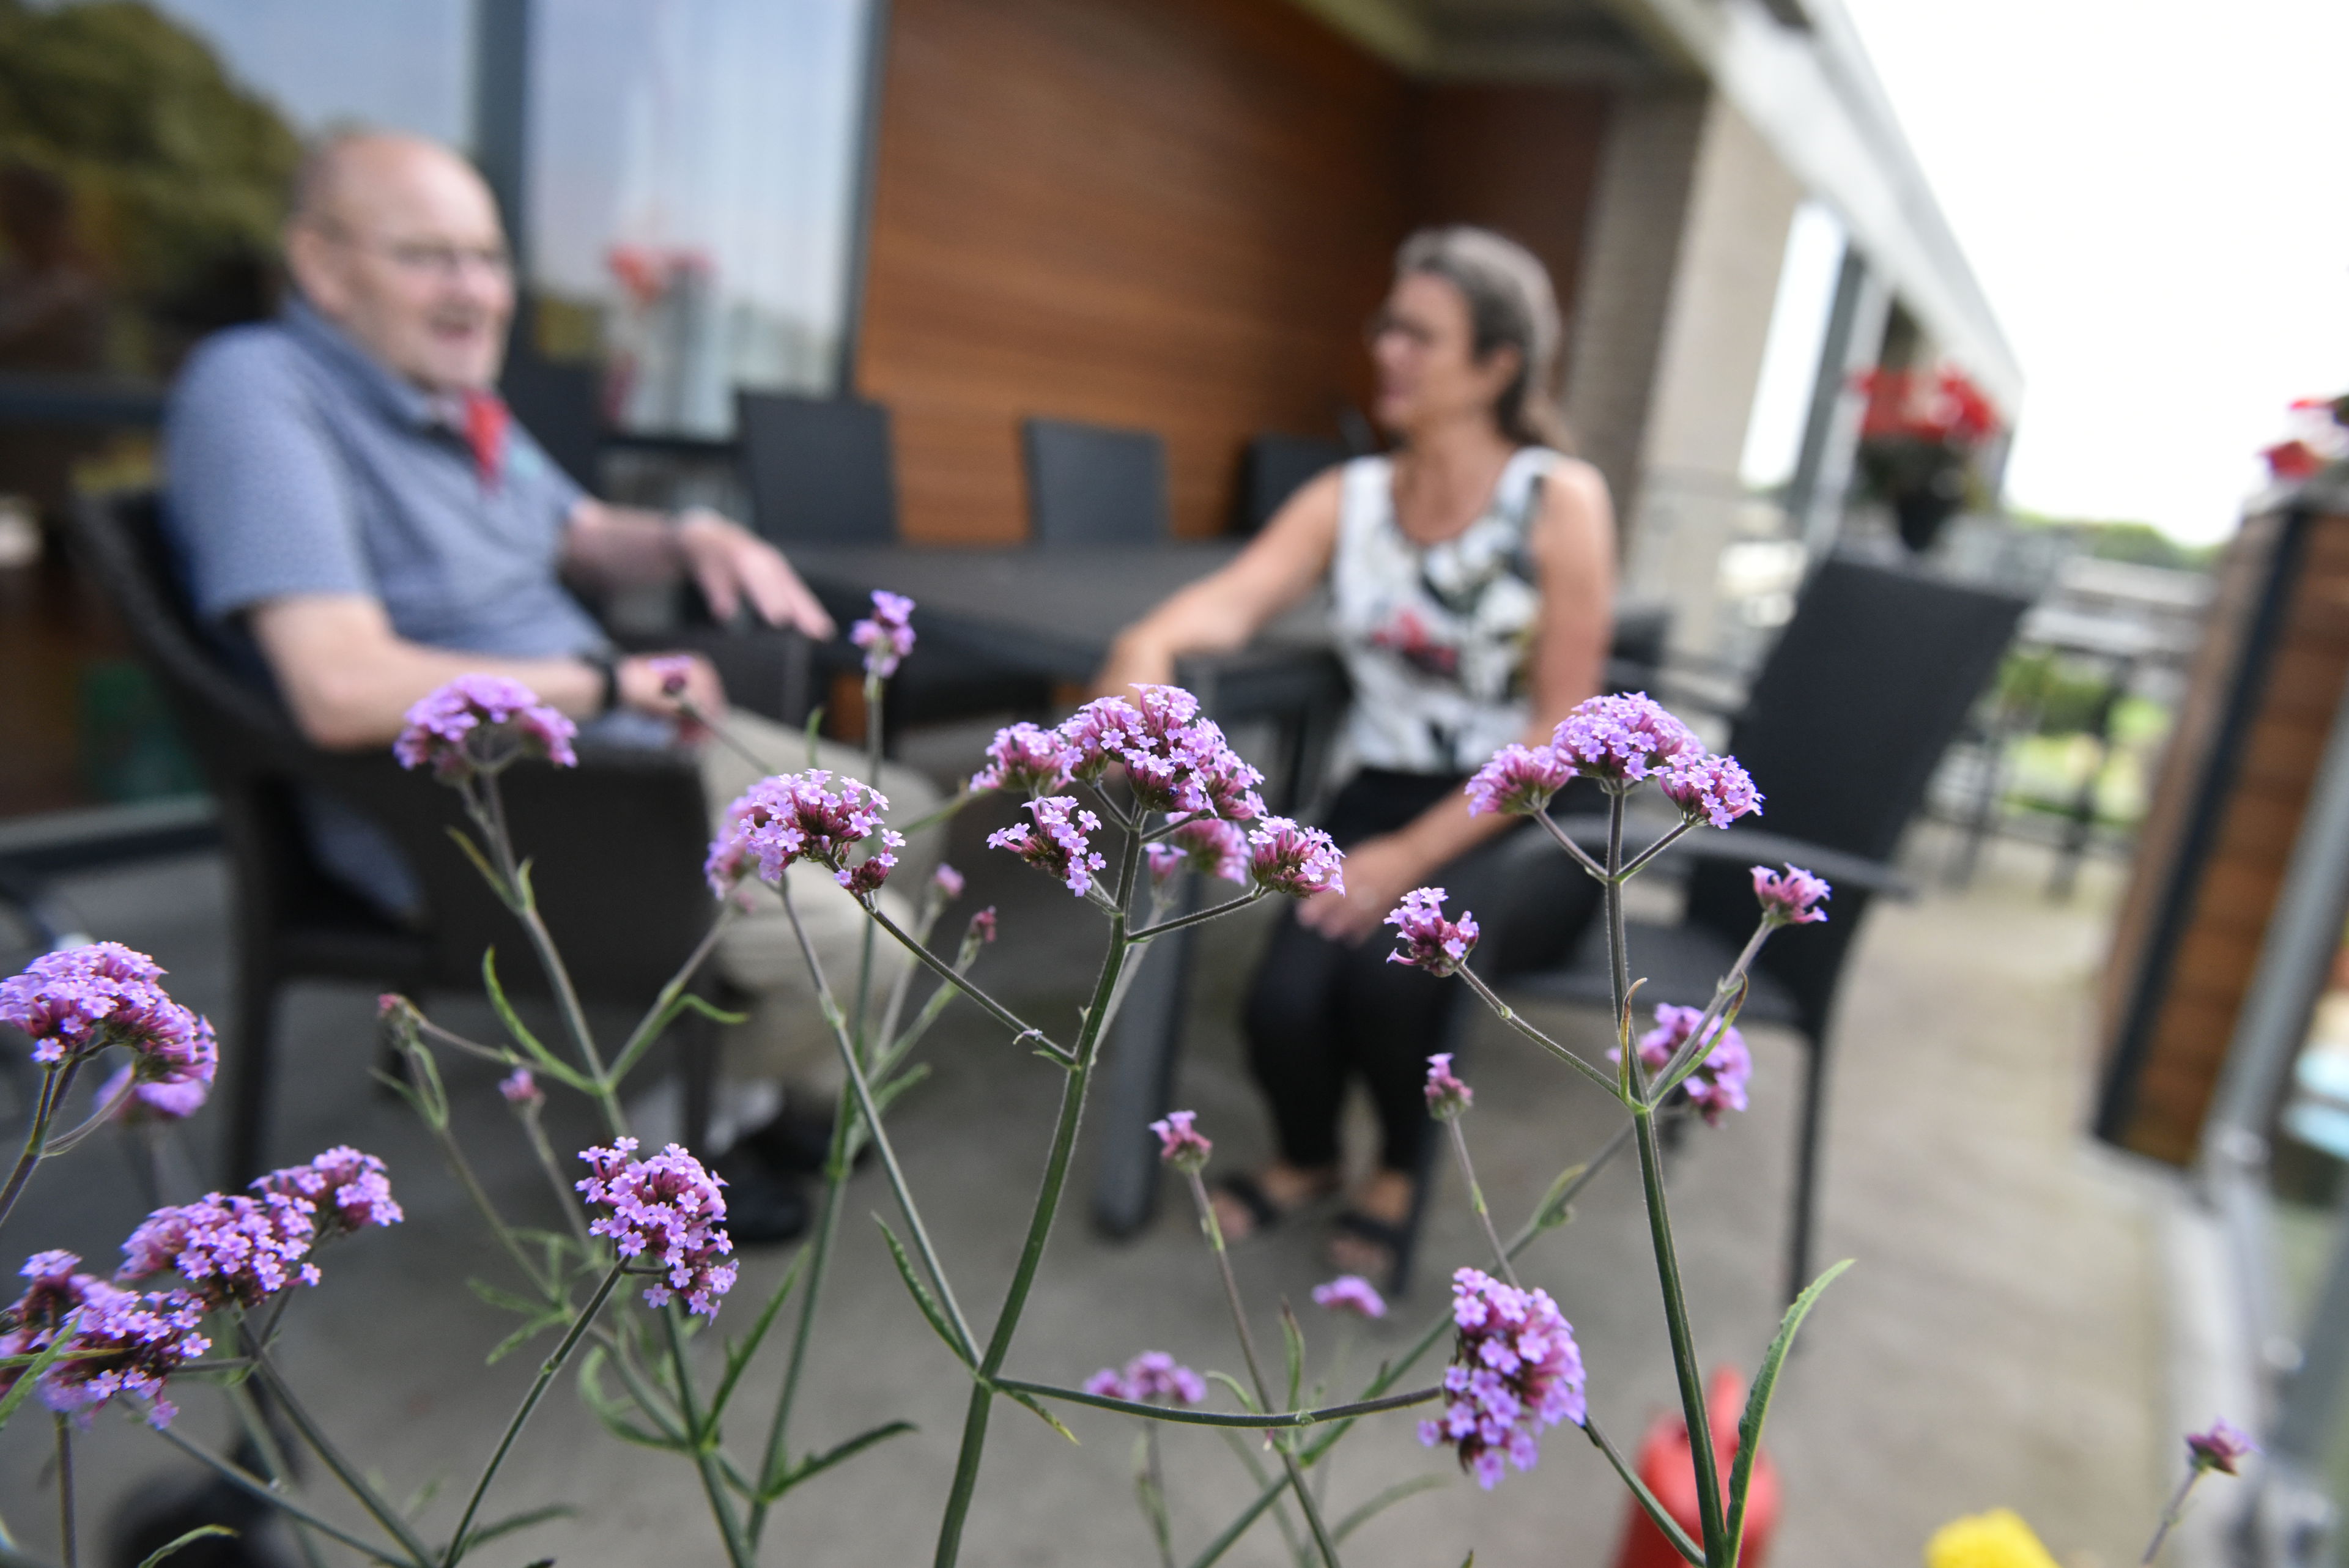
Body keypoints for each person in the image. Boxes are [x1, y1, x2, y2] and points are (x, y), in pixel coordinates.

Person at [161, 130, 942, 1241]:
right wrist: (604, 678)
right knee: (863, 932)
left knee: (909, 808)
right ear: (322, 266)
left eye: (487, 259)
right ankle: (680, 1149)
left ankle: (774, 1087)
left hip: (618, 747)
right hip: (484, 809)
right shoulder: (259, 391)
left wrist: (685, 536)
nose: (476, 291)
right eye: (430, 256)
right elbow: (336, 686)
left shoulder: (456, 404)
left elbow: (581, 530)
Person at [1095, 227, 1615, 1280]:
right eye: (1387, 328)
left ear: (1495, 367)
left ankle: (1397, 1171)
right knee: (1281, 999)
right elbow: (1228, 605)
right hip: (1375, 786)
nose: (1386, 350)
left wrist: (1407, 858)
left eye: (1419, 336)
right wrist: (1141, 647)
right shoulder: (1350, 498)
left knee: (1394, 984)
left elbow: (1563, 731)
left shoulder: (1559, 502)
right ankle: (1308, 1157)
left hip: (1521, 814)